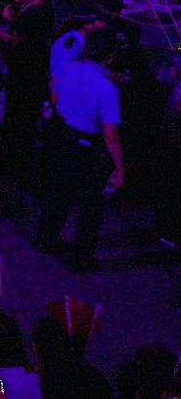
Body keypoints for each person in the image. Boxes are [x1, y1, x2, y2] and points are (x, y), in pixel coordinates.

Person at [37, 28, 124, 271]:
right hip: (88, 146)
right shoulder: (108, 89)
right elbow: (110, 132)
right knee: (90, 204)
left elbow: (55, 97)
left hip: (63, 137)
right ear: (110, 58)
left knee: (57, 193)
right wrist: (119, 166)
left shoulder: (68, 68)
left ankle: (46, 239)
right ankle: (80, 257)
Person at [0, 0, 53, 180]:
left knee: (18, 115)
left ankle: (13, 159)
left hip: (26, 72)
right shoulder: (34, 8)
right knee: (18, 115)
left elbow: (16, 40)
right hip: (27, 69)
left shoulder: (36, 14)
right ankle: (14, 155)